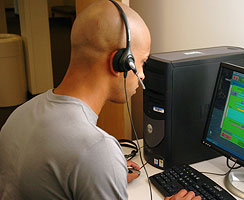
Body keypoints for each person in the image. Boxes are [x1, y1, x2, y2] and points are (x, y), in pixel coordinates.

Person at [0, 0, 200, 199]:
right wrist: (102, 167)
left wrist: (102, 177)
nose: (142, 75)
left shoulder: (22, 112)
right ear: (120, 63)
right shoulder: (96, 150)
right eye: (141, 63)